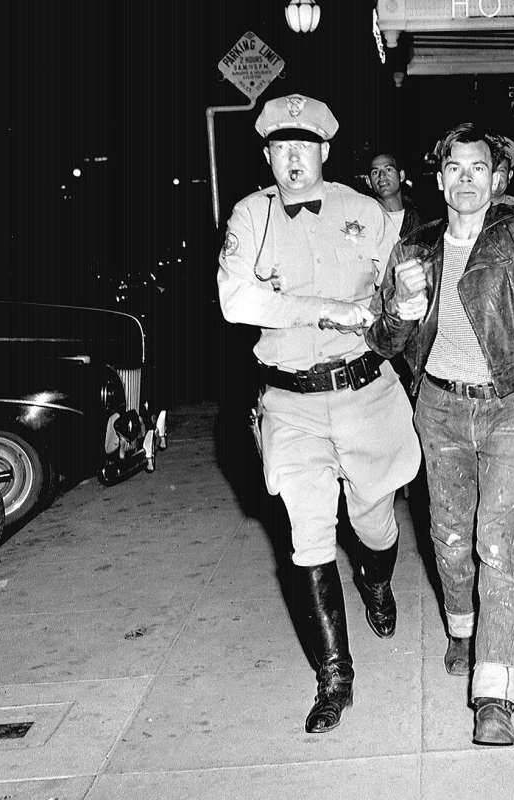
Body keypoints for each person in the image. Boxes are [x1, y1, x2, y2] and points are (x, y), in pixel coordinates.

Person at [216, 93, 421, 734]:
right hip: (289, 403)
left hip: (366, 396)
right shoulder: (250, 215)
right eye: (281, 148)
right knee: (307, 539)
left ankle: (377, 580)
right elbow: (235, 299)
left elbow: (407, 294)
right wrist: (323, 309)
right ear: (268, 154)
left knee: (375, 521)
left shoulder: (366, 214)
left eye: (305, 147)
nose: (293, 160)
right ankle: (335, 677)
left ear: (326, 152)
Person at [367, 122, 514, 746]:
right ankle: (461, 628)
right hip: (440, 409)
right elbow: (386, 341)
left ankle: (495, 695)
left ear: (498, 178)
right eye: (455, 167)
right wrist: (399, 304)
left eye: (479, 167)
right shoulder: (415, 247)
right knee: (449, 542)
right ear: (439, 176)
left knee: (496, 544)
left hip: (508, 406)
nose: (467, 178)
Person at [367, 151, 423, 240]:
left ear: (401, 175)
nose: (381, 176)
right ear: (369, 182)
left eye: (388, 169)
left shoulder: (421, 218)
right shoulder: (365, 219)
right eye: (375, 172)